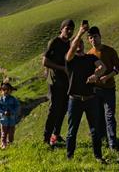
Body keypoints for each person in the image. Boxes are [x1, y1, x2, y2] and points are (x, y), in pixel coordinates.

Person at [64, 22, 107, 161]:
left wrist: (97, 75)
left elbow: (103, 67)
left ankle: (98, 157)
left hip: (90, 99)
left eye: (81, 43)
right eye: (77, 43)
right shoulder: (70, 60)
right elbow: (71, 51)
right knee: (72, 131)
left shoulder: (90, 58)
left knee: (95, 130)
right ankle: (70, 157)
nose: (79, 45)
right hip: (75, 100)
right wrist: (80, 32)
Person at [87, 26, 119, 151]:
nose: (93, 40)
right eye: (91, 38)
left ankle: (113, 143)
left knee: (109, 116)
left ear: (100, 37)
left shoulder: (110, 51)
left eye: (95, 37)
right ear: (88, 40)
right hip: (96, 90)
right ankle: (103, 140)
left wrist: (108, 76)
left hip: (109, 88)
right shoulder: (89, 54)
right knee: (99, 117)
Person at [42, 19, 74, 147]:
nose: (69, 31)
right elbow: (45, 61)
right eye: (67, 29)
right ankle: (46, 138)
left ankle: (56, 135)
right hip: (55, 81)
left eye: (72, 29)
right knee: (54, 109)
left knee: (63, 109)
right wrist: (62, 68)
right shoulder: (54, 42)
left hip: (66, 82)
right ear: (62, 29)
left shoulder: (70, 44)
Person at [0, 82, 21, 149]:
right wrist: (3, 112)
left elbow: (17, 106)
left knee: (11, 132)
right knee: (4, 132)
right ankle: (3, 143)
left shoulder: (13, 99)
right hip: (4, 119)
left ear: (11, 91)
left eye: (7, 89)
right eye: (4, 90)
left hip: (12, 119)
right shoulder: (0, 100)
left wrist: (13, 112)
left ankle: (10, 142)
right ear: (1, 91)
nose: (5, 91)